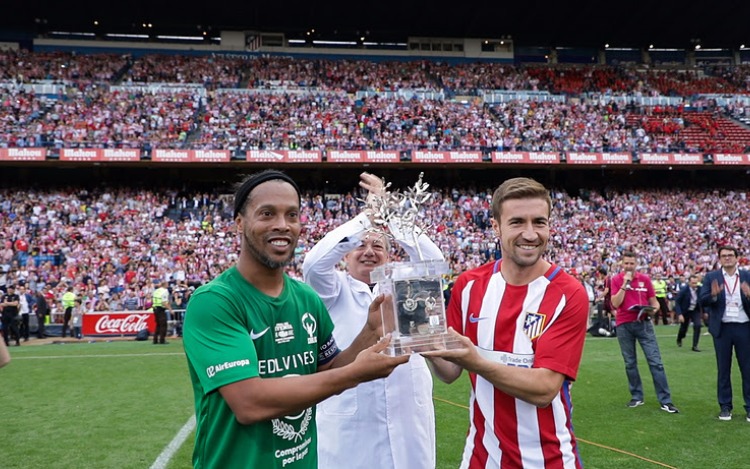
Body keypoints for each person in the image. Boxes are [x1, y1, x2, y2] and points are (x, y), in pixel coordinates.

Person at [182, 169, 409, 469]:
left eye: (292, 215)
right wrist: (356, 374)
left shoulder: (306, 298)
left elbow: (330, 367)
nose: (282, 225)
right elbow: (249, 403)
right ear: (239, 223)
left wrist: (369, 332)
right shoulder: (214, 302)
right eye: (267, 214)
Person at [421, 177, 589, 469]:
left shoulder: (568, 293)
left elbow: (544, 389)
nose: (530, 233)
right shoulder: (469, 285)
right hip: (481, 458)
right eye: (517, 222)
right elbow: (449, 372)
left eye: (539, 222)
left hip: (546, 461)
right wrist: (422, 339)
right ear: (496, 227)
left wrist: (477, 362)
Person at [302, 172, 441, 469]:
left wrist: (388, 215)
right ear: (345, 254)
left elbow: (433, 262)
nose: (369, 251)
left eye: (378, 246)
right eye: (360, 246)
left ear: (389, 256)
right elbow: (313, 263)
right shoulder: (332, 289)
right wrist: (369, 216)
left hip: (409, 426)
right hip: (349, 430)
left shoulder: (405, 289)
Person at [610, 251, 679, 413]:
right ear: (622, 264)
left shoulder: (645, 279)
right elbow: (615, 303)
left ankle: (665, 400)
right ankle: (636, 396)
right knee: (630, 363)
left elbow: (654, 302)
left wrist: (652, 310)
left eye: (631, 263)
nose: (629, 266)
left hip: (643, 323)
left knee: (655, 361)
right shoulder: (616, 280)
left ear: (636, 264)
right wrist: (624, 285)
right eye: (626, 263)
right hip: (624, 324)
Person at [698, 245, 750, 421]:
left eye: (730, 255)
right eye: (724, 256)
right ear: (719, 259)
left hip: (744, 326)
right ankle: (725, 407)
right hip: (723, 328)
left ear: (737, 258)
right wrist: (713, 295)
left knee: (747, 369)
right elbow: (702, 300)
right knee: (723, 369)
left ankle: (749, 407)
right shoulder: (712, 277)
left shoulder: (747, 276)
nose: (727, 258)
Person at [675, 274, 704, 352]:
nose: (695, 285)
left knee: (698, 325)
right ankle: (679, 338)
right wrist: (680, 314)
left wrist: (705, 312)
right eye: (693, 283)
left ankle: (695, 346)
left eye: (696, 283)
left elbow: (703, 300)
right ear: (689, 283)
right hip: (685, 311)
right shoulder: (684, 290)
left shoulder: (700, 289)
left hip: (695, 310)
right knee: (683, 329)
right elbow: (677, 302)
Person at [151, 280, 172, 345]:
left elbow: (153, 299)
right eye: (167, 284)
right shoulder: (165, 291)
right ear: (165, 285)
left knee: (158, 324)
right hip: (160, 309)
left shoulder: (156, 290)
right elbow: (164, 302)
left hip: (155, 308)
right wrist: (170, 309)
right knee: (163, 325)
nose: (168, 285)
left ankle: (155, 340)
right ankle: (162, 340)